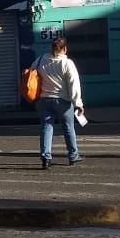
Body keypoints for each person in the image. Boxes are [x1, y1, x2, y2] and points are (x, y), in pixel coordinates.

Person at [35, 37, 84, 169]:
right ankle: (73, 156)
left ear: (51, 48)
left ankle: (46, 158)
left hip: (44, 99)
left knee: (46, 127)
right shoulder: (67, 63)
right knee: (68, 128)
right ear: (65, 49)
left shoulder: (40, 60)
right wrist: (78, 103)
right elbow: (74, 85)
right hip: (63, 101)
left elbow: (31, 74)